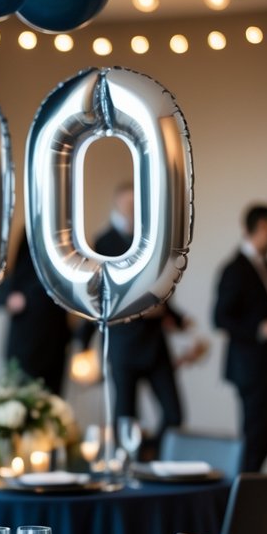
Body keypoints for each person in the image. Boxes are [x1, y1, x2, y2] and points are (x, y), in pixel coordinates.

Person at [87, 181, 188, 442]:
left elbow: (158, 285)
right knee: (126, 417)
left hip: (155, 344)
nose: (133, 209)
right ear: (118, 204)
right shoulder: (104, 242)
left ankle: (152, 454)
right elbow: (102, 294)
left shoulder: (150, 240)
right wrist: (142, 311)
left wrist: (175, 318)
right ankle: (128, 467)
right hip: (124, 343)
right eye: (129, 203)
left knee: (174, 414)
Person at [213, 203, 267, 472]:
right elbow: (220, 318)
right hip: (251, 369)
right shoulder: (236, 269)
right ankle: (244, 503)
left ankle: (251, 498)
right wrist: (262, 329)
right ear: (263, 226)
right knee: (255, 440)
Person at [0, 233, 72, 395]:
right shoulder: (30, 233)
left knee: (52, 405)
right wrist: (10, 298)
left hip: (56, 340)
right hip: (26, 341)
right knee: (21, 403)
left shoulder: (64, 232)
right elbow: (10, 276)